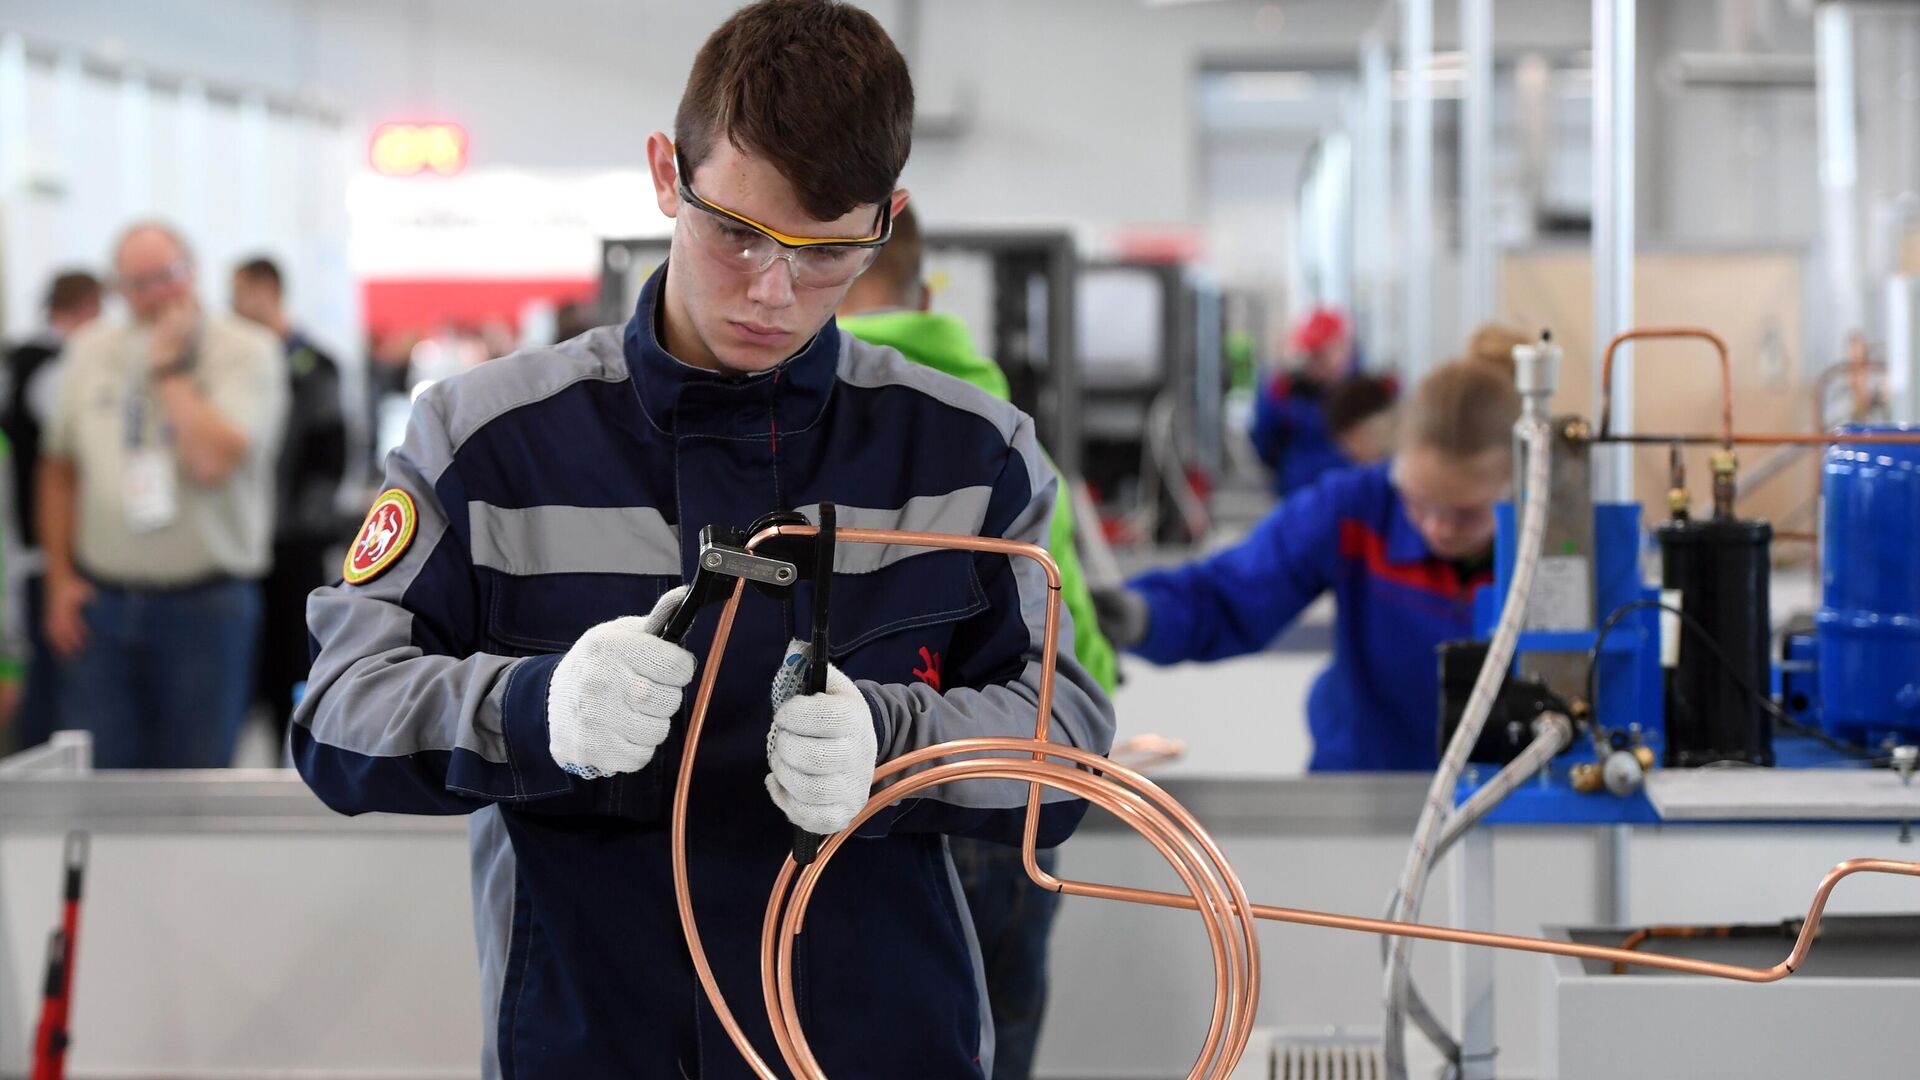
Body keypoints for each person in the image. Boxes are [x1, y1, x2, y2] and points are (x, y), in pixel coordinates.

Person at [291, 4, 1114, 1077]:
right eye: (739, 234)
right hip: (594, 1046)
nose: (775, 294)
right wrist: (536, 708)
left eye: (829, 254)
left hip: (876, 1048)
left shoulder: (967, 456)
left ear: (890, 217)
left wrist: (896, 746)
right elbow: (339, 709)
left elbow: (1072, 739)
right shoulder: (487, 444)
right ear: (666, 176)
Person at [838, 201, 1116, 1080]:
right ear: (926, 287)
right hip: (1007, 795)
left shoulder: (791, 420)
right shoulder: (998, 423)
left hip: (853, 798)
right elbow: (1075, 651)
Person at [1102, 357, 1519, 771]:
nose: (1438, 528)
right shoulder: (1355, 509)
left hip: (1515, 797)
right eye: (1418, 502)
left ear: (1516, 489)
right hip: (1363, 786)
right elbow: (1233, 593)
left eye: (1465, 513)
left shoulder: (1552, 554)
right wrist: (1143, 614)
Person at [40, 223, 288, 769]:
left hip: (205, 606)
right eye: (137, 284)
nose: (154, 294)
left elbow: (211, 461)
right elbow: (58, 467)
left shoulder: (247, 350)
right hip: (102, 607)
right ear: (118, 290)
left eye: (166, 277)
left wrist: (169, 369)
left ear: (192, 272)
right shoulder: (89, 350)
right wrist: (60, 577)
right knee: (102, 790)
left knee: (193, 793)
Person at [231, 256, 349, 749]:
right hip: (245, 537)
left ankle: (297, 752)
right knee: (249, 663)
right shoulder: (237, 365)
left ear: (267, 290)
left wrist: (303, 522)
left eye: (240, 293)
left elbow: (330, 452)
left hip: (292, 542)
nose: (234, 306)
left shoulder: (311, 364)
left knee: (293, 660)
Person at [2, 271, 102, 749]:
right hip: (50, 551)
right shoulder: (59, 369)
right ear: (87, 309)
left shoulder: (17, 361)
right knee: (56, 688)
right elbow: (65, 463)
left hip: (24, 545)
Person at [1249, 305, 1369, 497]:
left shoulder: (1368, 395)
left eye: (1322, 353)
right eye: (1311, 354)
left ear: (1344, 348)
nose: (1315, 363)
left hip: (1354, 506)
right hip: (1299, 498)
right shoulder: (1288, 394)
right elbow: (1264, 443)